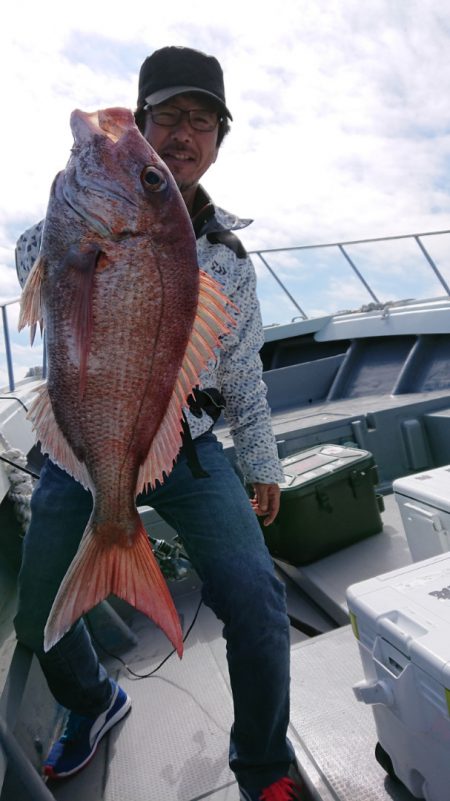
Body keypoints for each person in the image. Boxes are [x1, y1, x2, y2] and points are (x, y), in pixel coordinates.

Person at [14, 46, 304, 801]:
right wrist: (73, 201)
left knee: (256, 600)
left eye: (202, 121)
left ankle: (265, 764)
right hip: (84, 443)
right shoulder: (76, 220)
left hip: (191, 446)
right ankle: (93, 700)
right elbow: (28, 264)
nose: (183, 134)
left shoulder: (230, 260)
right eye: (168, 116)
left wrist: (262, 462)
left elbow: (242, 374)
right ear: (141, 123)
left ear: (217, 140)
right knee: (39, 605)